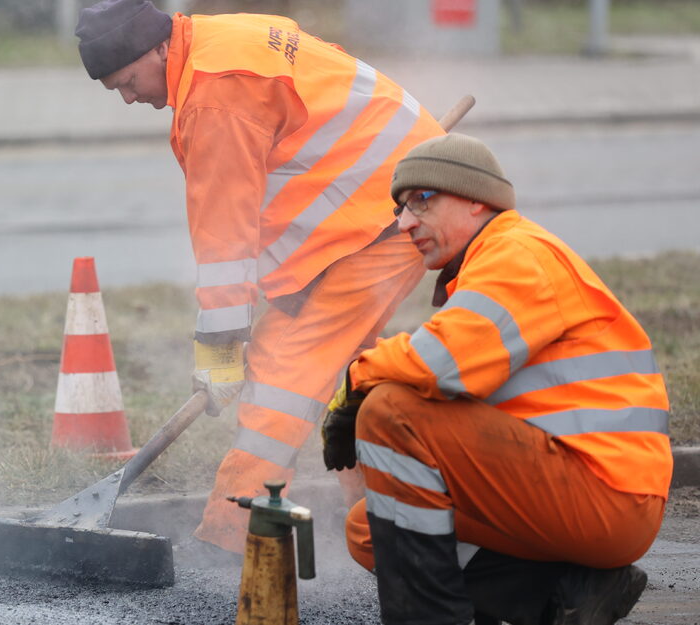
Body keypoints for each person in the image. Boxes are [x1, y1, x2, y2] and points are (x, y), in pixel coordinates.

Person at [75, 0, 445, 556]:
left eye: (128, 81)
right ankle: (393, 520)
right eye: (116, 89)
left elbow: (225, 235)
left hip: (384, 216)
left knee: (282, 373)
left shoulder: (214, 96)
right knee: (354, 373)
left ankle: (230, 536)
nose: (130, 97)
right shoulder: (215, 40)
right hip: (384, 201)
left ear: (155, 49)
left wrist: (222, 347)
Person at [323, 133, 672, 624]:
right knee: (371, 527)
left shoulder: (517, 253)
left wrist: (356, 379)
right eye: (401, 208)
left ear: (475, 199)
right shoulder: (493, 262)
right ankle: (562, 591)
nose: (404, 223)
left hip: (605, 492)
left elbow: (436, 364)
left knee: (391, 412)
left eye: (421, 200)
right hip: (584, 487)